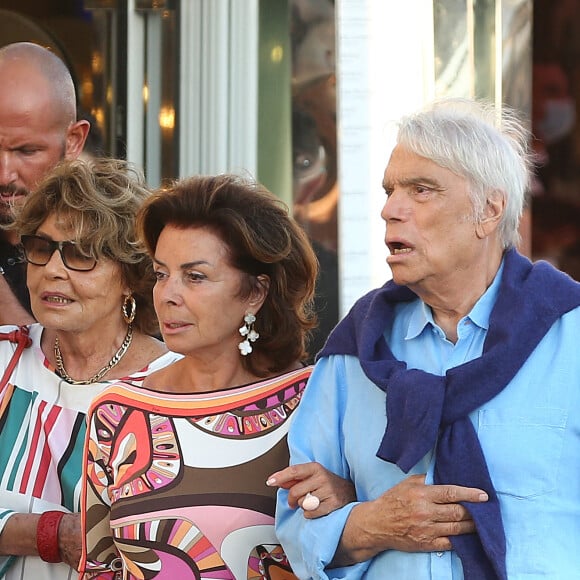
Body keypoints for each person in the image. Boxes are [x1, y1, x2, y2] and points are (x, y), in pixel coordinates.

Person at [274, 98, 580, 579]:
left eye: (422, 190)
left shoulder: (570, 337)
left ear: (489, 212)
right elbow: (295, 522)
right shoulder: (355, 349)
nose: (390, 209)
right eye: (391, 190)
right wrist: (371, 524)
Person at [78, 174, 353, 579]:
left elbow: (365, 544)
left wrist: (348, 499)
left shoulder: (316, 400)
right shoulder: (116, 412)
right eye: (160, 274)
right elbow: (98, 568)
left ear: (256, 292)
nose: (168, 294)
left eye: (195, 276)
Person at [0, 157, 179, 579]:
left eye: (82, 254)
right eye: (42, 248)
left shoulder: (174, 388)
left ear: (132, 275)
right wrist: (52, 532)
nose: (53, 271)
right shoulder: (6, 358)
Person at [0, 42, 90, 324]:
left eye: (27, 151)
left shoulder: (102, 245)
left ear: (73, 141)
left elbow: (63, 362)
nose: (5, 175)